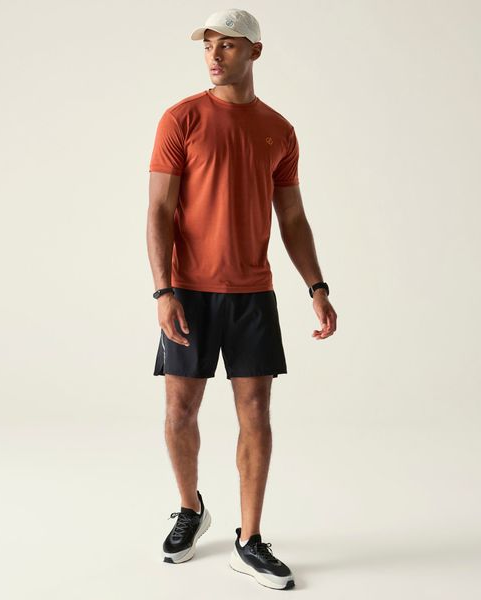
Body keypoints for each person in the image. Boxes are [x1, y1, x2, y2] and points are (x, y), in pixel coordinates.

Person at [146, 8, 337, 591]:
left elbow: (293, 217)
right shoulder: (181, 118)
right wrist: (162, 290)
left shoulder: (279, 129)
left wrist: (317, 286)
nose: (214, 54)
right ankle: (190, 508)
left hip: (253, 293)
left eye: (228, 45)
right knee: (180, 411)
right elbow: (158, 210)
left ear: (255, 51)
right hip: (188, 291)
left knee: (256, 413)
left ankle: (249, 540)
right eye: (208, 44)